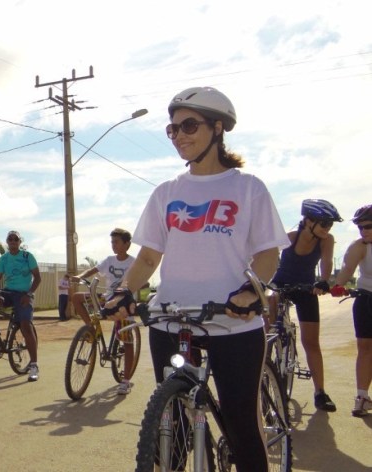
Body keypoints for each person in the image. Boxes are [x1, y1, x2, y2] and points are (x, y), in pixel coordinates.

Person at [104, 86, 288, 472]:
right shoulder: (166, 192)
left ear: (218, 128)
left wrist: (251, 291)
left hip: (233, 322)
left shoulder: (247, 187)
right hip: (172, 320)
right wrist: (124, 291)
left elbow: (269, 253)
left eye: (189, 125)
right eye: (173, 129)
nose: (179, 135)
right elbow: (150, 255)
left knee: (241, 426)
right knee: (171, 427)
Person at [270, 199, 342, 411]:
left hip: (307, 287)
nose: (327, 228)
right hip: (281, 283)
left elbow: (327, 262)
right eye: (324, 224)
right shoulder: (290, 238)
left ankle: (320, 392)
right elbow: (272, 259)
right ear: (308, 221)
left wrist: (323, 280)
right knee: (267, 326)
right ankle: (263, 374)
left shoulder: (326, 240)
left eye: (330, 225)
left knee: (311, 342)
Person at [71, 227, 139, 394]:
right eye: (112, 242)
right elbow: (93, 270)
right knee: (77, 298)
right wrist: (81, 277)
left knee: (127, 341)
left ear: (127, 244)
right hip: (107, 297)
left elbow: (142, 280)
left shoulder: (134, 263)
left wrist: (130, 288)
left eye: (116, 242)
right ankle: (90, 329)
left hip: (124, 302)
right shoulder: (109, 260)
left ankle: (125, 380)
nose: (113, 245)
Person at [330, 204, 372, 418]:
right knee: (365, 347)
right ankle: (362, 396)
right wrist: (337, 285)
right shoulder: (360, 246)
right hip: (366, 299)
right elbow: (347, 269)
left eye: (368, 226)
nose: (364, 231)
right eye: (360, 227)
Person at [0, 230, 41, 381]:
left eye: (16, 239)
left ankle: (34, 365)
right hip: (7, 293)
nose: (13, 241)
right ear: (7, 242)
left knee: (25, 325)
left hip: (23, 294)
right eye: (10, 239)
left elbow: (38, 278)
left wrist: (29, 294)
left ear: (20, 242)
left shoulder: (27, 257)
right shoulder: (3, 259)